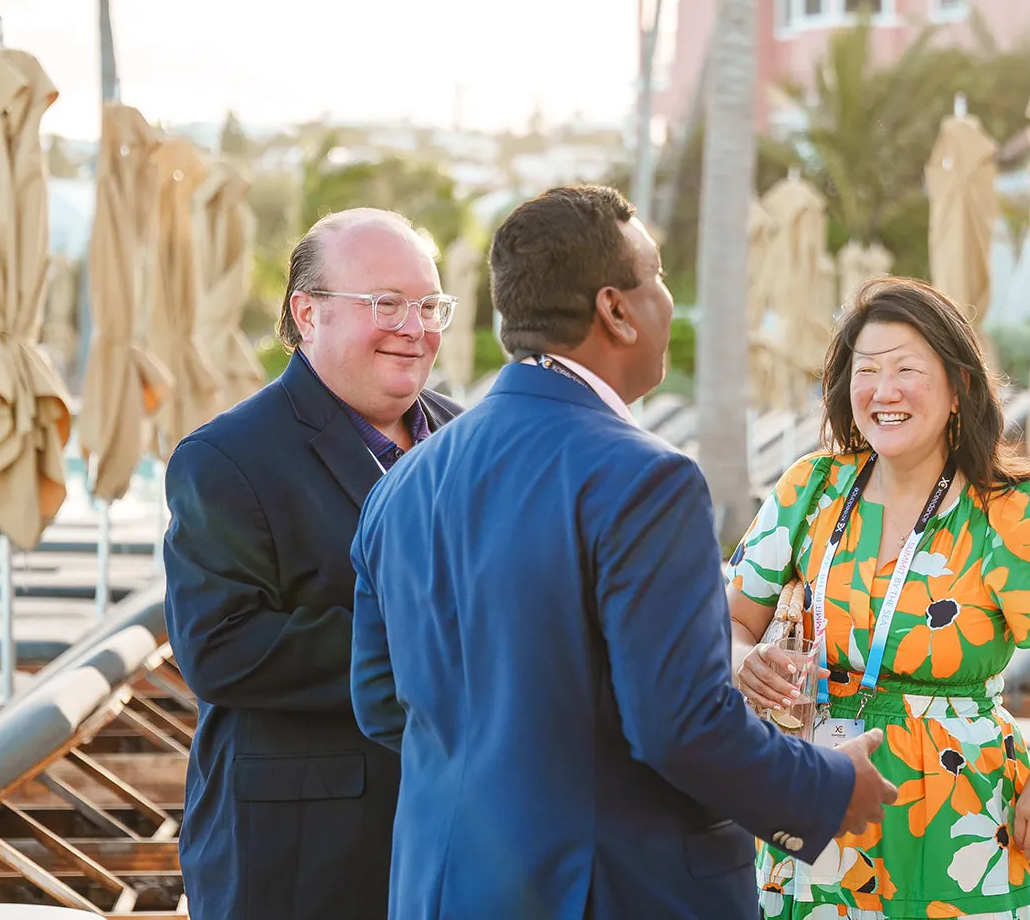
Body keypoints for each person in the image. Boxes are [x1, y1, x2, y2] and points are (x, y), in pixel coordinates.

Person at [349, 185, 896, 920]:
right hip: (611, 891)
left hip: (442, 887)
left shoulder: (402, 482)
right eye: (661, 275)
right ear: (615, 309)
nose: (670, 301)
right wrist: (827, 785)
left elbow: (382, 702)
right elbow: (680, 723)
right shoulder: (647, 478)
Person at [729, 277, 1030, 920]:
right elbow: (730, 620)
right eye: (866, 370)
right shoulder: (812, 489)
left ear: (958, 388)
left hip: (961, 817)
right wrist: (742, 662)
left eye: (907, 370)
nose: (884, 391)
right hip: (819, 795)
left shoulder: (1010, 514)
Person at [163, 208, 464, 920]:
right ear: (307, 312)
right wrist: (430, 647)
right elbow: (221, 648)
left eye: (428, 304)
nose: (413, 326)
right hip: (297, 858)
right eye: (385, 303)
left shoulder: (468, 436)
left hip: (455, 842)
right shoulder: (226, 458)